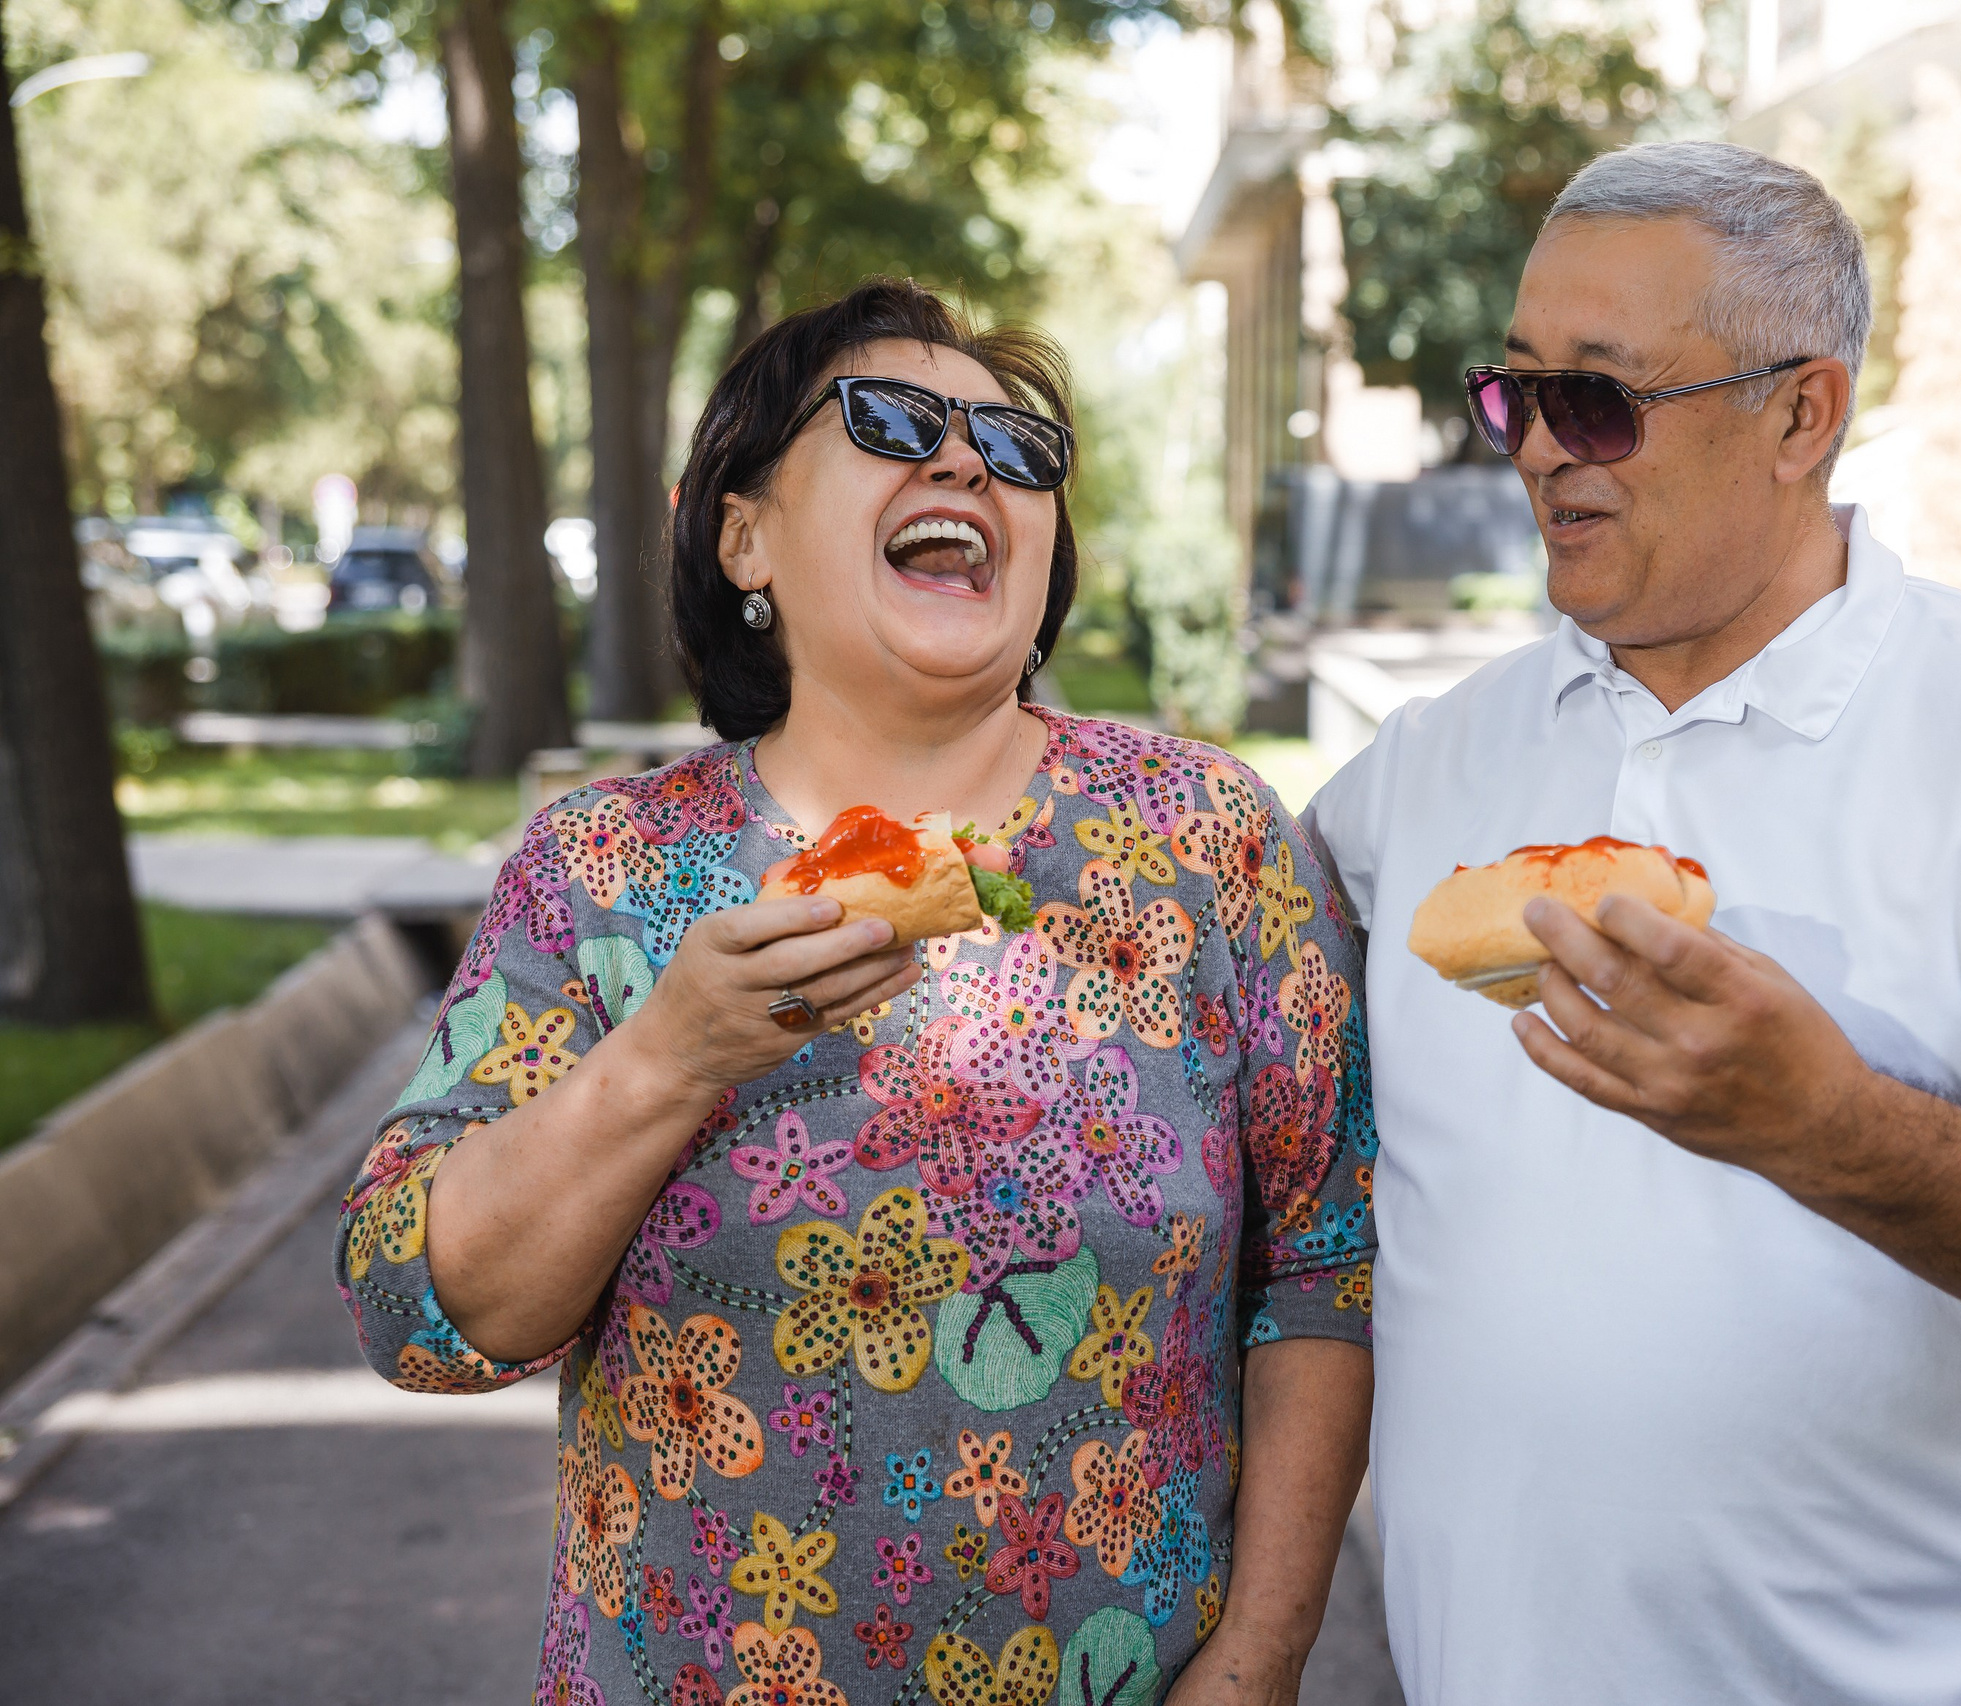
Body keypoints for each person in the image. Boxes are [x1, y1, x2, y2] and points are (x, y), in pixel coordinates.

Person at [338, 278, 1375, 1706]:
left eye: (1017, 450)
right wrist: (670, 1057)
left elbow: (1324, 1269)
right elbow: (421, 1314)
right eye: (895, 422)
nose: (965, 462)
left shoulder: (1209, 839)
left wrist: (1259, 1663)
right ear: (742, 530)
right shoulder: (605, 868)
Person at [1302, 141, 1961, 1704]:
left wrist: (1819, 1123)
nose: (1536, 450)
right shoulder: (1424, 765)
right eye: (1513, 392)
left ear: (1804, 410)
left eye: (1596, 398)